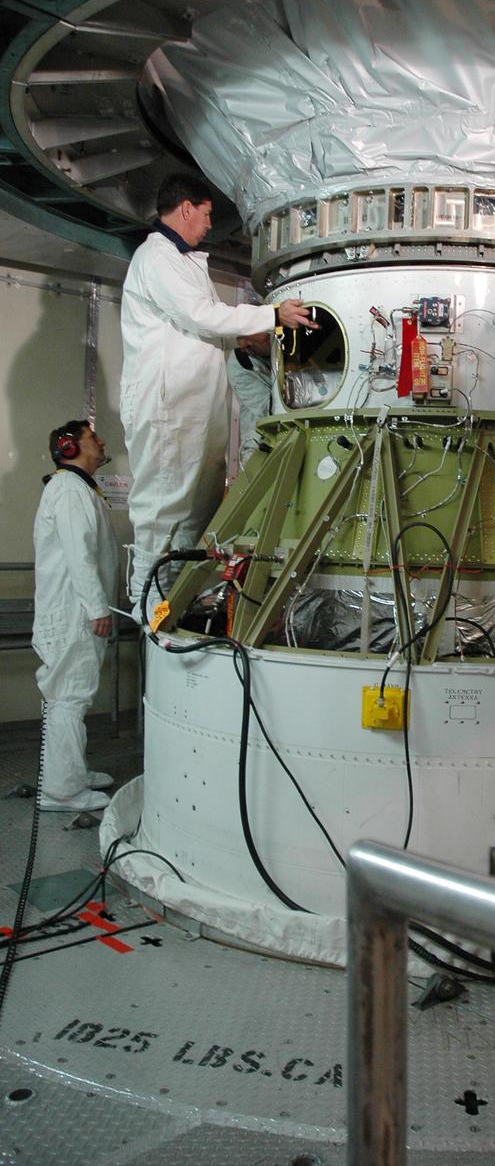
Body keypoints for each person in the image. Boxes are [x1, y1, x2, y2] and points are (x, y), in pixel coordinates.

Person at [120, 173, 312, 621]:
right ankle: (148, 609)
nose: (209, 225)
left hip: (196, 410)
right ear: (185, 208)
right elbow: (201, 315)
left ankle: (175, 605)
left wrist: (250, 339)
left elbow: (210, 326)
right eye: (206, 215)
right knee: (162, 516)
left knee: (195, 518)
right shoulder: (157, 256)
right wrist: (271, 315)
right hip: (169, 407)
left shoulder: (186, 264)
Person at [33, 421, 119, 811]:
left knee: (69, 698)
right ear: (68, 447)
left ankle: (68, 773)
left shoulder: (78, 489)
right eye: (92, 438)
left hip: (73, 612)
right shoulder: (68, 490)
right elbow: (78, 553)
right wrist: (97, 608)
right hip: (74, 614)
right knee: (70, 697)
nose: (101, 442)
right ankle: (62, 792)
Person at [227, 333, 273, 466]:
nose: (247, 344)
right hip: (259, 442)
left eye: (248, 336)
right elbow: (269, 410)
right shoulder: (239, 364)